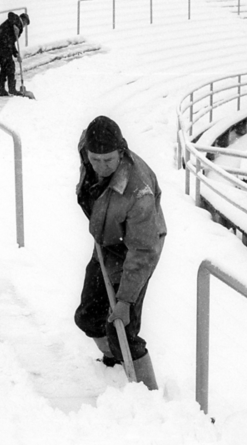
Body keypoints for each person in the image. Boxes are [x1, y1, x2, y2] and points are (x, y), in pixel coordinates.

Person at [74, 115, 166, 390]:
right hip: (108, 239)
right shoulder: (87, 147)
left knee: (123, 328)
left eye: (109, 160)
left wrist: (125, 301)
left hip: (138, 246)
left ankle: (149, 397)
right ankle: (115, 365)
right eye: (95, 159)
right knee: (88, 317)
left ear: (121, 151)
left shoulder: (138, 192)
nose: (101, 166)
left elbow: (142, 251)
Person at [0, 12, 30, 97]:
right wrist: (15, 25)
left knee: (4, 67)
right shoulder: (16, 20)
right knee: (10, 66)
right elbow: (10, 14)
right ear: (24, 21)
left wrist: (16, 54)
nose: (25, 26)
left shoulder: (17, 27)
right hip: (1, 44)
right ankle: (11, 89)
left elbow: (11, 42)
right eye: (26, 24)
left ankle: (1, 90)